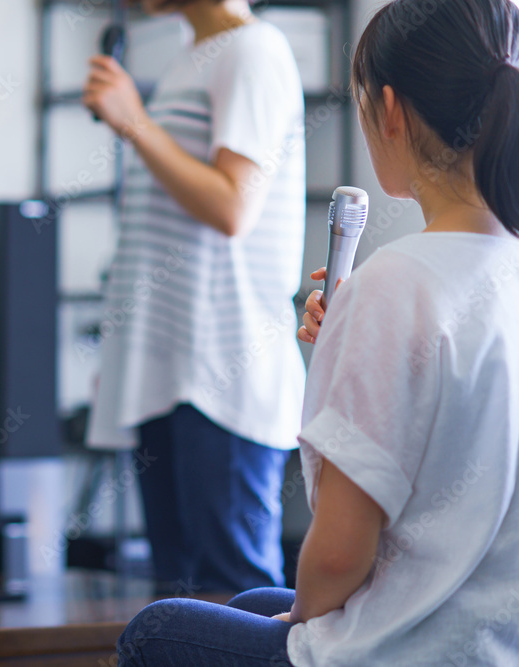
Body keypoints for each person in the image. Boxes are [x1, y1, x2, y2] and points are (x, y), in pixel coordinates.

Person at [115, 0, 519, 663]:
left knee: (155, 630)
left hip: (408, 652)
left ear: (390, 110)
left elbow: (336, 557)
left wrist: (303, 619)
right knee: (251, 601)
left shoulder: (394, 283)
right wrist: (349, 347)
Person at [82, 0, 307, 594]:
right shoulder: (194, 56)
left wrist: (135, 123)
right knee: (181, 604)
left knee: (235, 597)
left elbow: (232, 207)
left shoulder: (254, 51)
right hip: (169, 372)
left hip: (221, 373)